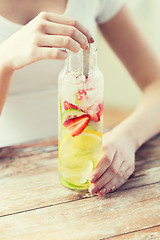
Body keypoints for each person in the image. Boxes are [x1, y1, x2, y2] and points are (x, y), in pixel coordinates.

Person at [0, 0, 160, 197]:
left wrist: (128, 137)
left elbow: (157, 86)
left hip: (87, 168)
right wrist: (3, 61)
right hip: (10, 177)